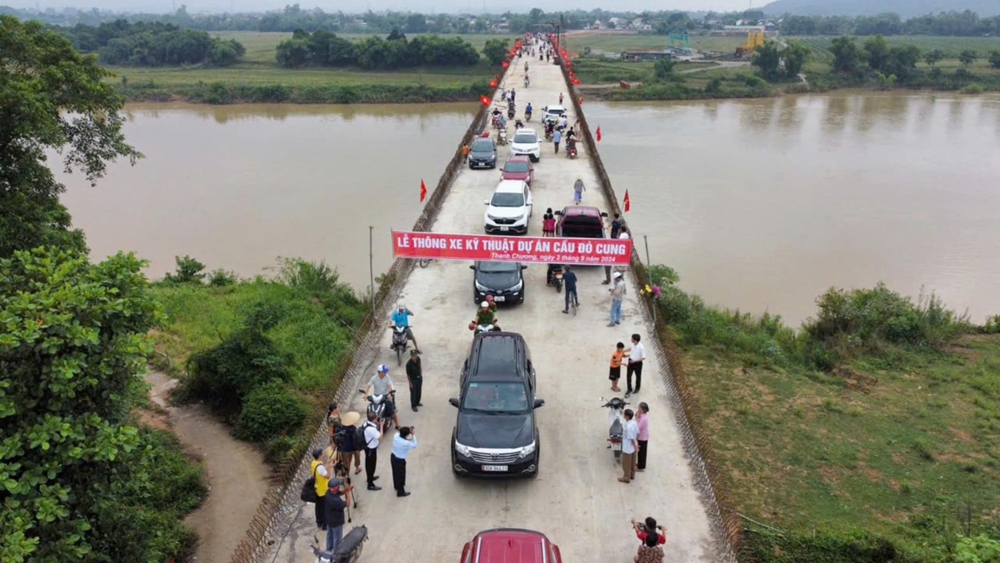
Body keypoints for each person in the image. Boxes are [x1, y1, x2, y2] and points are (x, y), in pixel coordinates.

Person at [365, 364, 399, 430]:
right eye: (384, 372)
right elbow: (368, 386)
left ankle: (397, 424)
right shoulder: (374, 378)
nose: (385, 373)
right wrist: (366, 394)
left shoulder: (387, 377)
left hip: (385, 396)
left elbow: (390, 387)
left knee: (392, 412)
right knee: (370, 410)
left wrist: (390, 393)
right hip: (376, 397)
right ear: (380, 372)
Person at [323, 478, 351, 552]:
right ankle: (335, 554)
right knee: (337, 539)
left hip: (329, 520)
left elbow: (340, 493)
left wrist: (345, 489)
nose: (339, 488)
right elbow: (348, 504)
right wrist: (348, 493)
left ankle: (328, 550)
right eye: (338, 487)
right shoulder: (336, 501)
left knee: (330, 536)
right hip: (337, 522)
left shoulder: (328, 492)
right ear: (335, 488)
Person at [390, 426, 419, 497]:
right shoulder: (406, 443)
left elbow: (400, 432)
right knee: (401, 476)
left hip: (393, 456)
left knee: (395, 473)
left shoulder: (396, 436)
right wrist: (413, 435)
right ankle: (401, 492)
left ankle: (396, 486)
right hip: (400, 460)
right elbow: (415, 445)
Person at [310, 448, 331, 529]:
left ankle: (319, 522)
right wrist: (329, 466)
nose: (323, 455)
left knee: (318, 507)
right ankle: (325, 525)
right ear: (319, 456)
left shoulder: (313, 463)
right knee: (325, 508)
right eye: (322, 454)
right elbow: (327, 476)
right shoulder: (320, 467)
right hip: (323, 489)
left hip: (316, 488)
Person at [362, 411, 382, 491]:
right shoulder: (371, 429)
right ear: (374, 419)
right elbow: (380, 437)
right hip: (371, 449)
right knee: (371, 466)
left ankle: (370, 477)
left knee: (368, 464)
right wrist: (381, 426)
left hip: (367, 447)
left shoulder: (366, 423)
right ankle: (370, 484)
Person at [619, 408, 639, 484]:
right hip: (633, 448)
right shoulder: (634, 423)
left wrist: (635, 445)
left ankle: (626, 477)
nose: (623, 416)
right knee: (633, 462)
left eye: (624, 415)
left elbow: (632, 438)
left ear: (627, 417)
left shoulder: (628, 427)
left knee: (626, 463)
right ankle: (632, 474)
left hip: (628, 448)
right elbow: (637, 433)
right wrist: (636, 445)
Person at [636, 402, 650, 472]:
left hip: (642, 437)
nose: (638, 409)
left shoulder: (643, 418)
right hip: (642, 436)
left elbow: (638, 427)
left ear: (642, 410)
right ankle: (639, 464)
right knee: (640, 452)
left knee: (641, 453)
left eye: (639, 408)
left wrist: (637, 418)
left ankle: (640, 467)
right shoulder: (642, 416)